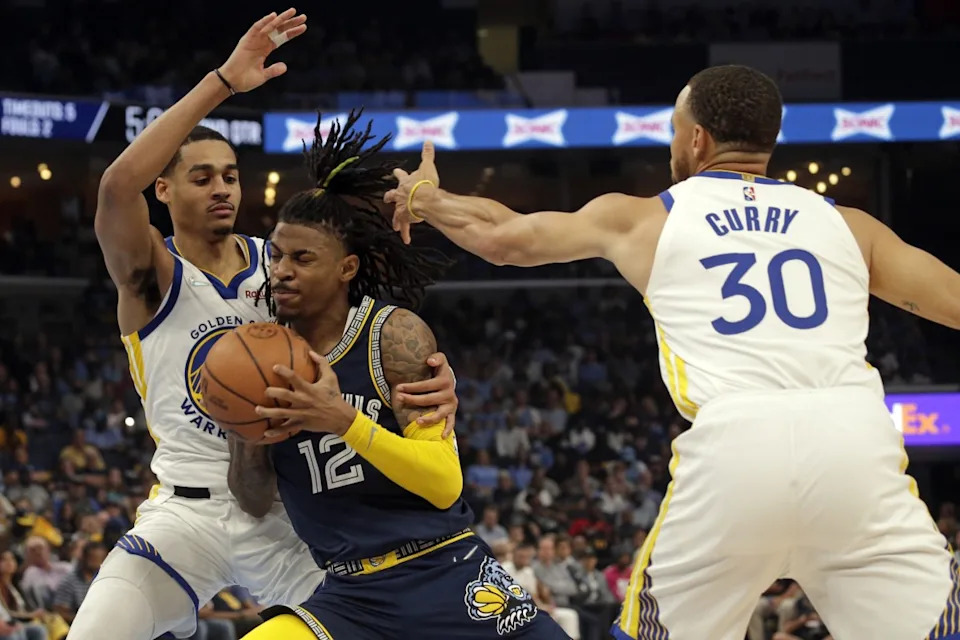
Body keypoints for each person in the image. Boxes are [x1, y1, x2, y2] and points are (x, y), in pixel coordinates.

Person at [385, 64, 960, 640]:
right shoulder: (849, 225)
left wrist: (426, 198)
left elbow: (505, 239)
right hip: (853, 442)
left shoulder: (646, 217)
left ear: (696, 138)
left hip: (737, 445)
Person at [72, 11, 459, 640]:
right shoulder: (152, 275)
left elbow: (363, 336)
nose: (222, 188)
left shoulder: (280, 264)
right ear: (163, 189)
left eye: (230, 175)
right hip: (185, 515)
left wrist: (430, 387)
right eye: (201, 177)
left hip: (286, 507)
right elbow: (117, 187)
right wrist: (224, 80)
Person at [229, 111, 568, 639]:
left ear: (346, 268)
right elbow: (251, 501)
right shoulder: (257, 355)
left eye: (302, 257)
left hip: (445, 572)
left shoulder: (393, 337)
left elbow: (442, 483)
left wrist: (340, 418)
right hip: (351, 598)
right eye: (276, 256)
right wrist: (248, 437)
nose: (282, 270)